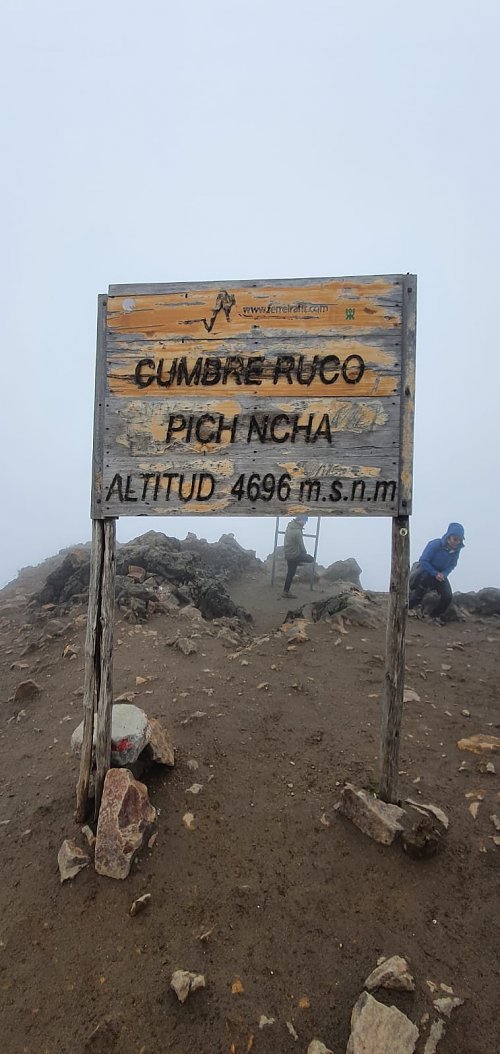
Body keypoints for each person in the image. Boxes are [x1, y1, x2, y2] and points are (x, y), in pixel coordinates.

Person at [409, 522, 465, 620]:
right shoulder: (435, 544)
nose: (456, 542)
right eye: (455, 539)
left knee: (447, 596)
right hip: (427, 571)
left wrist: (444, 574)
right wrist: (435, 573)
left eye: (459, 540)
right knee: (419, 594)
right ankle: (406, 609)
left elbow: (453, 564)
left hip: (440, 575)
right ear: (449, 536)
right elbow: (423, 560)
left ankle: (433, 617)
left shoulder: (457, 550)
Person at [282, 515, 314, 598]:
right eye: (304, 521)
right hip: (294, 555)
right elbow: (302, 546)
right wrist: (304, 554)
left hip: (288, 553)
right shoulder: (297, 532)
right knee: (311, 559)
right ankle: (286, 593)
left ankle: (286, 591)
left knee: (290, 573)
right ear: (300, 520)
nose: (305, 523)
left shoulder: (289, 526)